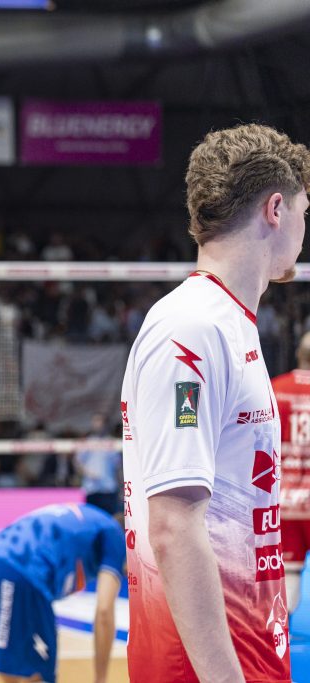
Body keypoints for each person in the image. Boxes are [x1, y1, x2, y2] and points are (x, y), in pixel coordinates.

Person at [121, 123, 309, 682]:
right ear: (276, 209)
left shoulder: (227, 322)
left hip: (248, 650)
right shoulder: (193, 328)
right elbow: (174, 525)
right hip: (207, 668)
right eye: (305, 211)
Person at [0, 502, 124, 683]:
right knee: (38, 672)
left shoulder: (91, 519)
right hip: (19, 571)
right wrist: (101, 679)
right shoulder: (115, 535)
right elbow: (104, 610)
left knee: (11, 663)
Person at [273, 331, 310, 612]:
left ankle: (281, 633)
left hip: (284, 502)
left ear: (298, 354)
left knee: (289, 576)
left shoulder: (275, 390)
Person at [74, 413, 122, 516]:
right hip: (91, 489)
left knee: (109, 518)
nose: (98, 424)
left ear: (106, 424)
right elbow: (78, 463)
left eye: (100, 421)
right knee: (91, 519)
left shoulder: (112, 443)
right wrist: (87, 473)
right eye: (95, 421)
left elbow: (117, 467)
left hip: (108, 488)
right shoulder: (86, 442)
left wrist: (121, 488)